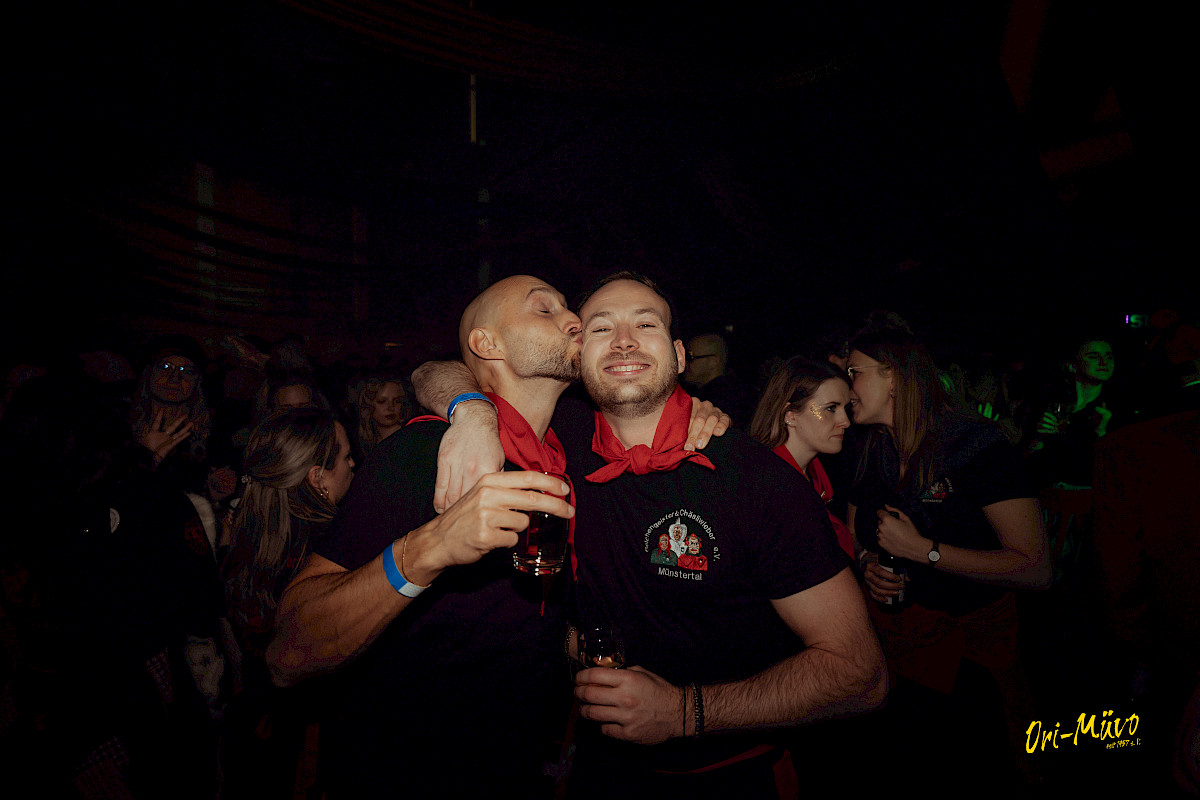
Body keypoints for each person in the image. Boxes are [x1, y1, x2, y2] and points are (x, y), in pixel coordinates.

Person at [417, 273, 887, 800]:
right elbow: (434, 370)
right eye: (600, 328)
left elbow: (860, 673)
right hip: (601, 772)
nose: (624, 341)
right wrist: (471, 413)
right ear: (578, 356)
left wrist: (685, 712)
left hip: (729, 778)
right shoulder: (560, 440)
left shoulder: (759, 482)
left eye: (645, 325)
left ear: (680, 356)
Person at [267, 275, 585, 799]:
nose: (573, 319)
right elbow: (288, 652)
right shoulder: (426, 452)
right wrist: (430, 547)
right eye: (544, 309)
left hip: (511, 770)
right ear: (487, 343)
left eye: (569, 307)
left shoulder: (566, 448)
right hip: (403, 775)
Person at [844, 318, 1051, 785]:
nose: (847, 384)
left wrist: (925, 552)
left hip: (975, 656)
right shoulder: (871, 448)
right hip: (901, 650)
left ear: (893, 375)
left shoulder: (976, 446)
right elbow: (856, 530)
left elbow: (1036, 568)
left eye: (855, 371)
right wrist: (867, 562)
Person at [219, 407, 354, 800]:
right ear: (317, 479)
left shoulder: (239, 534)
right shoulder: (333, 554)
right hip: (309, 745)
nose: (352, 464)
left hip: (252, 731)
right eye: (346, 457)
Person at [748, 355, 855, 559]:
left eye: (845, 408)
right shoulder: (771, 485)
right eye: (831, 408)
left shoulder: (817, 476)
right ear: (790, 415)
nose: (845, 421)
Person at [1022, 336, 1126, 489]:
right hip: (1046, 493)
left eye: (1109, 357)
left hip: (1087, 495)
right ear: (1072, 365)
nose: (1104, 362)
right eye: (1094, 356)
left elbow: (1121, 469)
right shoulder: (1054, 404)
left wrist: (1101, 432)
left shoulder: (1116, 409)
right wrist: (1039, 438)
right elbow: (1024, 460)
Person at [683, 332, 756, 428]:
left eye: (690, 357)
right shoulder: (697, 392)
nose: (684, 363)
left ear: (713, 362)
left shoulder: (726, 398)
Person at [354, 372, 414, 460]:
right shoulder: (365, 445)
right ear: (368, 405)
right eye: (382, 401)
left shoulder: (411, 437)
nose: (391, 407)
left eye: (397, 401)